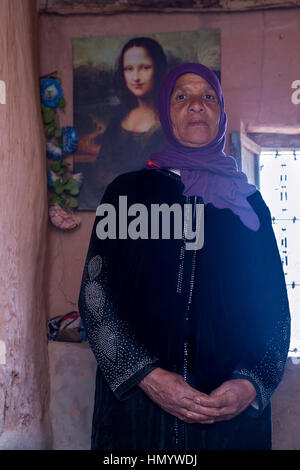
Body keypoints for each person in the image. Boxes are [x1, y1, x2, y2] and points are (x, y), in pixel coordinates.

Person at [78, 62, 291, 450]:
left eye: (208, 96)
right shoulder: (126, 195)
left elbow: (274, 311)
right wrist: (147, 376)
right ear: (166, 112)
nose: (196, 105)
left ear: (221, 113)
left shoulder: (249, 204)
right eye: (182, 97)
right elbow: (96, 298)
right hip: (139, 413)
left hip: (228, 419)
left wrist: (249, 385)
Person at [76, 37, 167, 210]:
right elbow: (102, 166)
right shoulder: (119, 117)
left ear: (159, 69)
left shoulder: (168, 123)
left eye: (145, 68)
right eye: (129, 69)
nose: (136, 77)